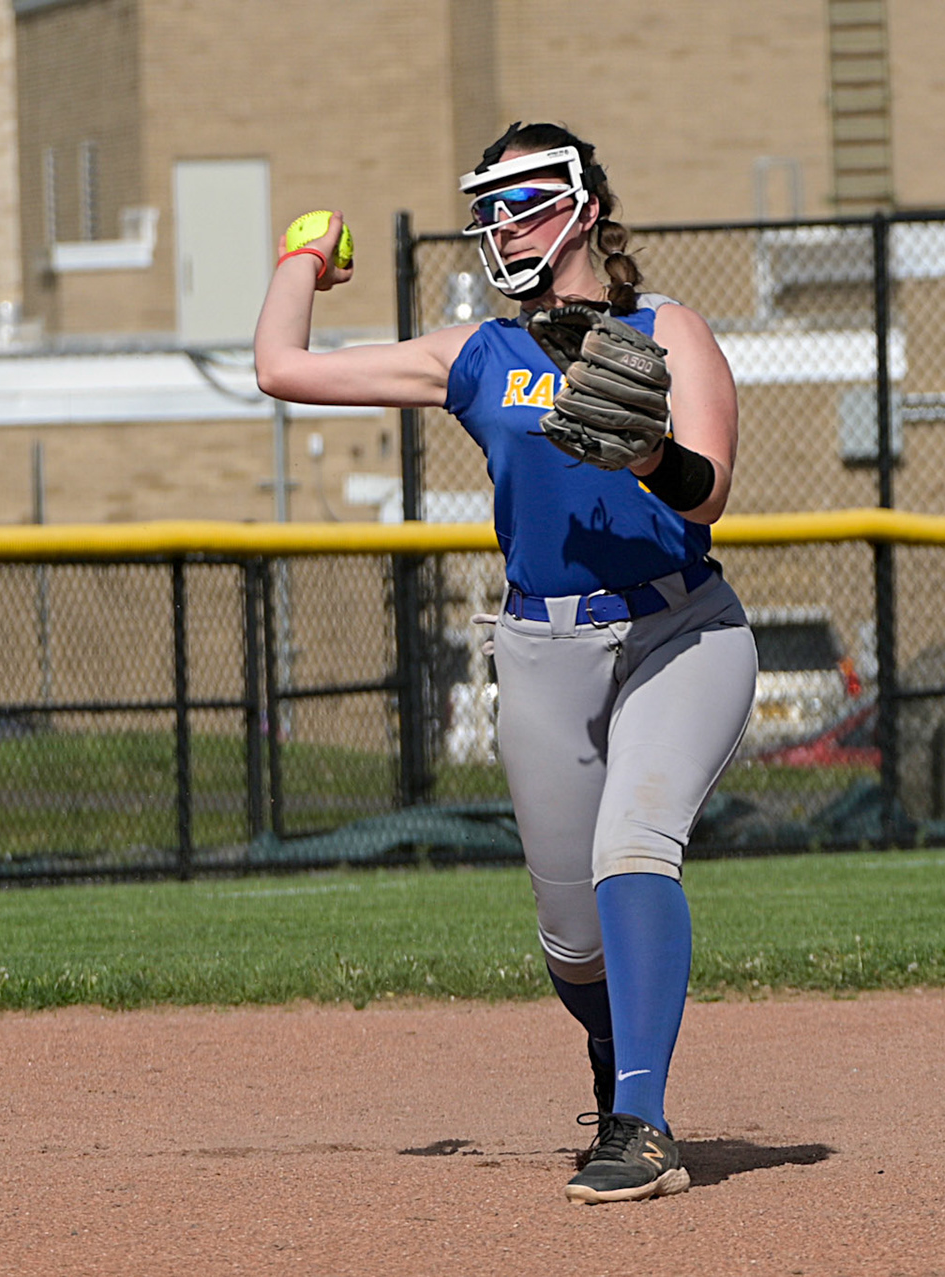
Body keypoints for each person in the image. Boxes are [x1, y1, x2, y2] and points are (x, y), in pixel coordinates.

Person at [254, 122, 756, 1204]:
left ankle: (643, 1123)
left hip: (680, 630)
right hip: (540, 647)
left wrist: (651, 453)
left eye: (525, 200)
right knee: (571, 942)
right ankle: (614, 1058)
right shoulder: (479, 353)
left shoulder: (666, 328)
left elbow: (709, 491)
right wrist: (303, 257)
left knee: (635, 846)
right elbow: (281, 368)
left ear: (584, 205)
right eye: (489, 208)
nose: (503, 224)